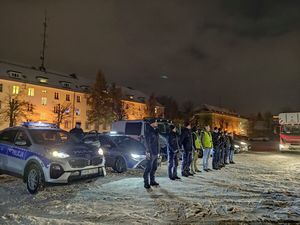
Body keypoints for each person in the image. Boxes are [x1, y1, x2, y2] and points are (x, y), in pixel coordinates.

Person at [143, 119, 160, 189]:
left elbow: (157, 142)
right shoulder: (149, 131)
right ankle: (146, 183)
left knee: (154, 167)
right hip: (151, 152)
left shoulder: (155, 131)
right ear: (152, 123)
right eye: (155, 122)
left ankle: (152, 181)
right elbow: (147, 143)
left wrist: (158, 152)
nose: (157, 123)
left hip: (155, 152)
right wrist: (148, 152)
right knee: (148, 168)